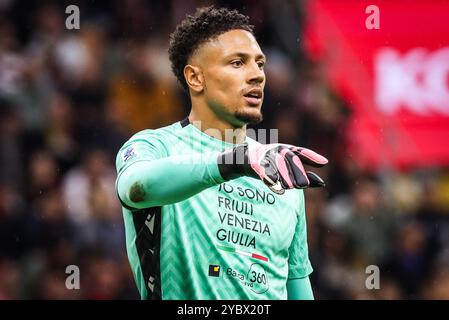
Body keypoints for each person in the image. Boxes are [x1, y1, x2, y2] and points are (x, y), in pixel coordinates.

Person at [115, 6, 328, 300]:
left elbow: (298, 290)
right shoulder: (156, 147)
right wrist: (234, 162)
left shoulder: (278, 168)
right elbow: (134, 188)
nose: (257, 75)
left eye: (260, 64)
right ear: (195, 78)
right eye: (238, 63)